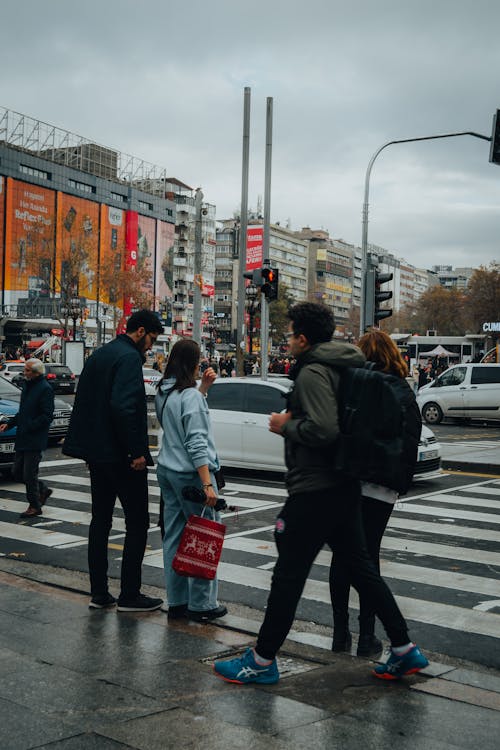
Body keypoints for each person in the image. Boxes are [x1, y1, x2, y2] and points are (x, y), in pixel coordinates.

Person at [213, 302, 428, 684]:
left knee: (287, 577)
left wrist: (285, 425)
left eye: (291, 333)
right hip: (344, 485)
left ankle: (261, 661)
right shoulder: (347, 365)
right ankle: (403, 648)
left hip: (315, 488)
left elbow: (324, 430)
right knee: (363, 571)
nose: (287, 340)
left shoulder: (313, 370)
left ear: (303, 338)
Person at [63, 309, 164, 612]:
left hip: (97, 454)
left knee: (101, 521)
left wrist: (86, 448)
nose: (151, 347)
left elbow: (85, 403)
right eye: (152, 339)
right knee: (137, 522)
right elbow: (124, 407)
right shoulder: (129, 358)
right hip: (121, 455)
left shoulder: (100, 355)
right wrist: (136, 452)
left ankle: (99, 593)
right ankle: (130, 595)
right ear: (141, 331)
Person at [329, 329, 422, 657]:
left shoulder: (352, 382)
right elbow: (412, 439)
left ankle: (340, 633)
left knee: (343, 555)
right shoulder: (402, 390)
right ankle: (367, 635)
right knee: (369, 557)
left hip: (350, 480)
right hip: (383, 486)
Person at [155, 339, 227, 622]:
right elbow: (196, 441)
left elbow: (176, 420)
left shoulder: (164, 390)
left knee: (173, 535)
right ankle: (202, 604)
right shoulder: (190, 396)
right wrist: (207, 484)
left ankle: (177, 601)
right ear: (192, 363)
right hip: (191, 475)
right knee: (203, 536)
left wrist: (203, 390)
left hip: (167, 470)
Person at [0, 358, 54, 518]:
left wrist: (30, 426)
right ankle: (42, 489)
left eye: (28, 370)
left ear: (36, 373)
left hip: (34, 438)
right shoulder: (27, 387)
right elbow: (23, 412)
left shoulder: (45, 389)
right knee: (17, 472)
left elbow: (46, 416)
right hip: (23, 436)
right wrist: (9, 424)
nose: (25, 372)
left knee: (29, 475)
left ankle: (35, 505)